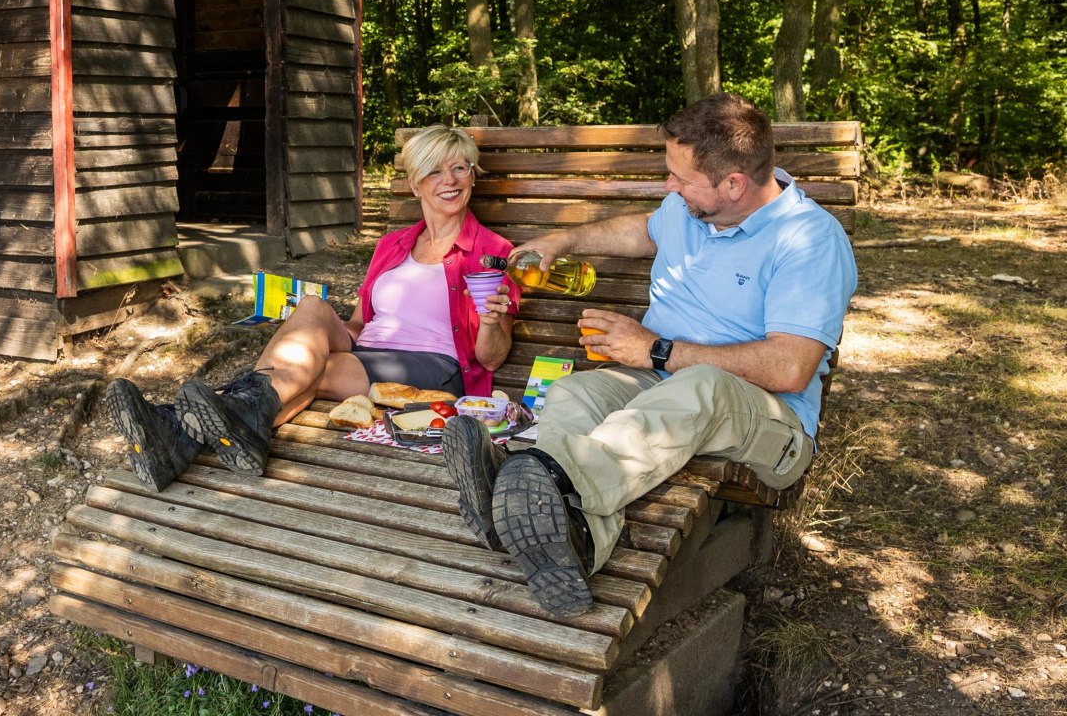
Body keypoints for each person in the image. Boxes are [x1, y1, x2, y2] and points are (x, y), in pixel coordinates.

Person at [442, 93, 857, 617]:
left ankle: (523, 484)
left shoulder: (808, 240)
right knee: (577, 391)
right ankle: (573, 540)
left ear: (733, 182)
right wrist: (564, 239)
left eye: (680, 179)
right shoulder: (691, 209)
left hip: (769, 422)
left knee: (700, 386)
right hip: (663, 385)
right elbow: (643, 228)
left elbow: (790, 368)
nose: (669, 187)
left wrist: (654, 349)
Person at [106, 124, 520, 491]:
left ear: (472, 176)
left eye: (460, 168)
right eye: (434, 169)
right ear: (415, 185)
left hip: (432, 366)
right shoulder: (392, 245)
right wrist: (314, 338)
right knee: (310, 312)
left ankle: (174, 431)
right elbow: (360, 322)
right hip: (368, 352)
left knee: (309, 370)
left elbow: (491, 357)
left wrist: (491, 321)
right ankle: (206, 437)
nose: (449, 180)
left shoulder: (493, 253)